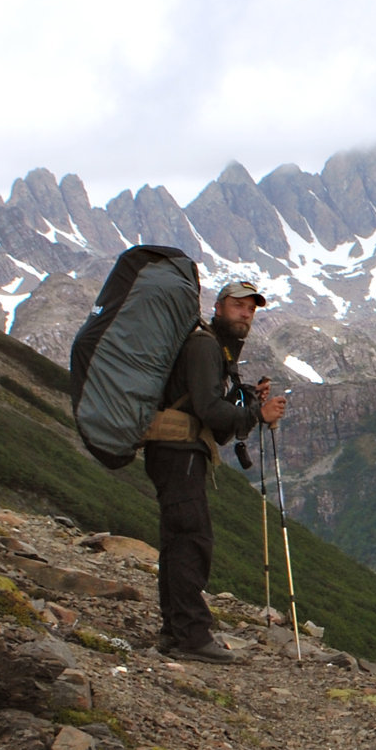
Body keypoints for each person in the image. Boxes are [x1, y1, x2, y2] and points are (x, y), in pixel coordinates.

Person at [141, 279, 286, 663]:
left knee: (178, 540)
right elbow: (208, 410)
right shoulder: (205, 346)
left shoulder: (216, 350)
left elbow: (219, 423)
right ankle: (192, 636)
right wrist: (258, 413)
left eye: (252, 309)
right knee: (192, 538)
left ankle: (175, 631)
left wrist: (246, 400)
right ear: (219, 306)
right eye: (239, 306)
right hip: (179, 450)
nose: (246, 314)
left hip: (176, 450)